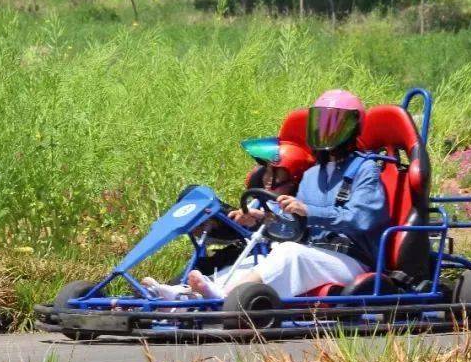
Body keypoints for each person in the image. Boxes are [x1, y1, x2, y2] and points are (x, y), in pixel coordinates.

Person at [186, 89, 387, 300]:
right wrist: (261, 219)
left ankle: (225, 296)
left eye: (334, 123)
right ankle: (188, 295)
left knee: (290, 253)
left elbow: (362, 219)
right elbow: (296, 227)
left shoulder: (366, 169)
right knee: (263, 255)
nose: (325, 130)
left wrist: (310, 211)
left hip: (352, 259)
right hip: (315, 252)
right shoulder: (312, 175)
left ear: (352, 127)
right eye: (321, 122)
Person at [143, 136, 314, 302]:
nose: (267, 177)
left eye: (276, 172)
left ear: (293, 178)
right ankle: (172, 291)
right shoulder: (259, 199)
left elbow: (296, 233)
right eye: (267, 171)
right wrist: (229, 219)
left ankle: (200, 296)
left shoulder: (298, 205)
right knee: (210, 259)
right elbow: (246, 226)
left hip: (270, 256)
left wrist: (263, 219)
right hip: (248, 247)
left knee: (251, 263)